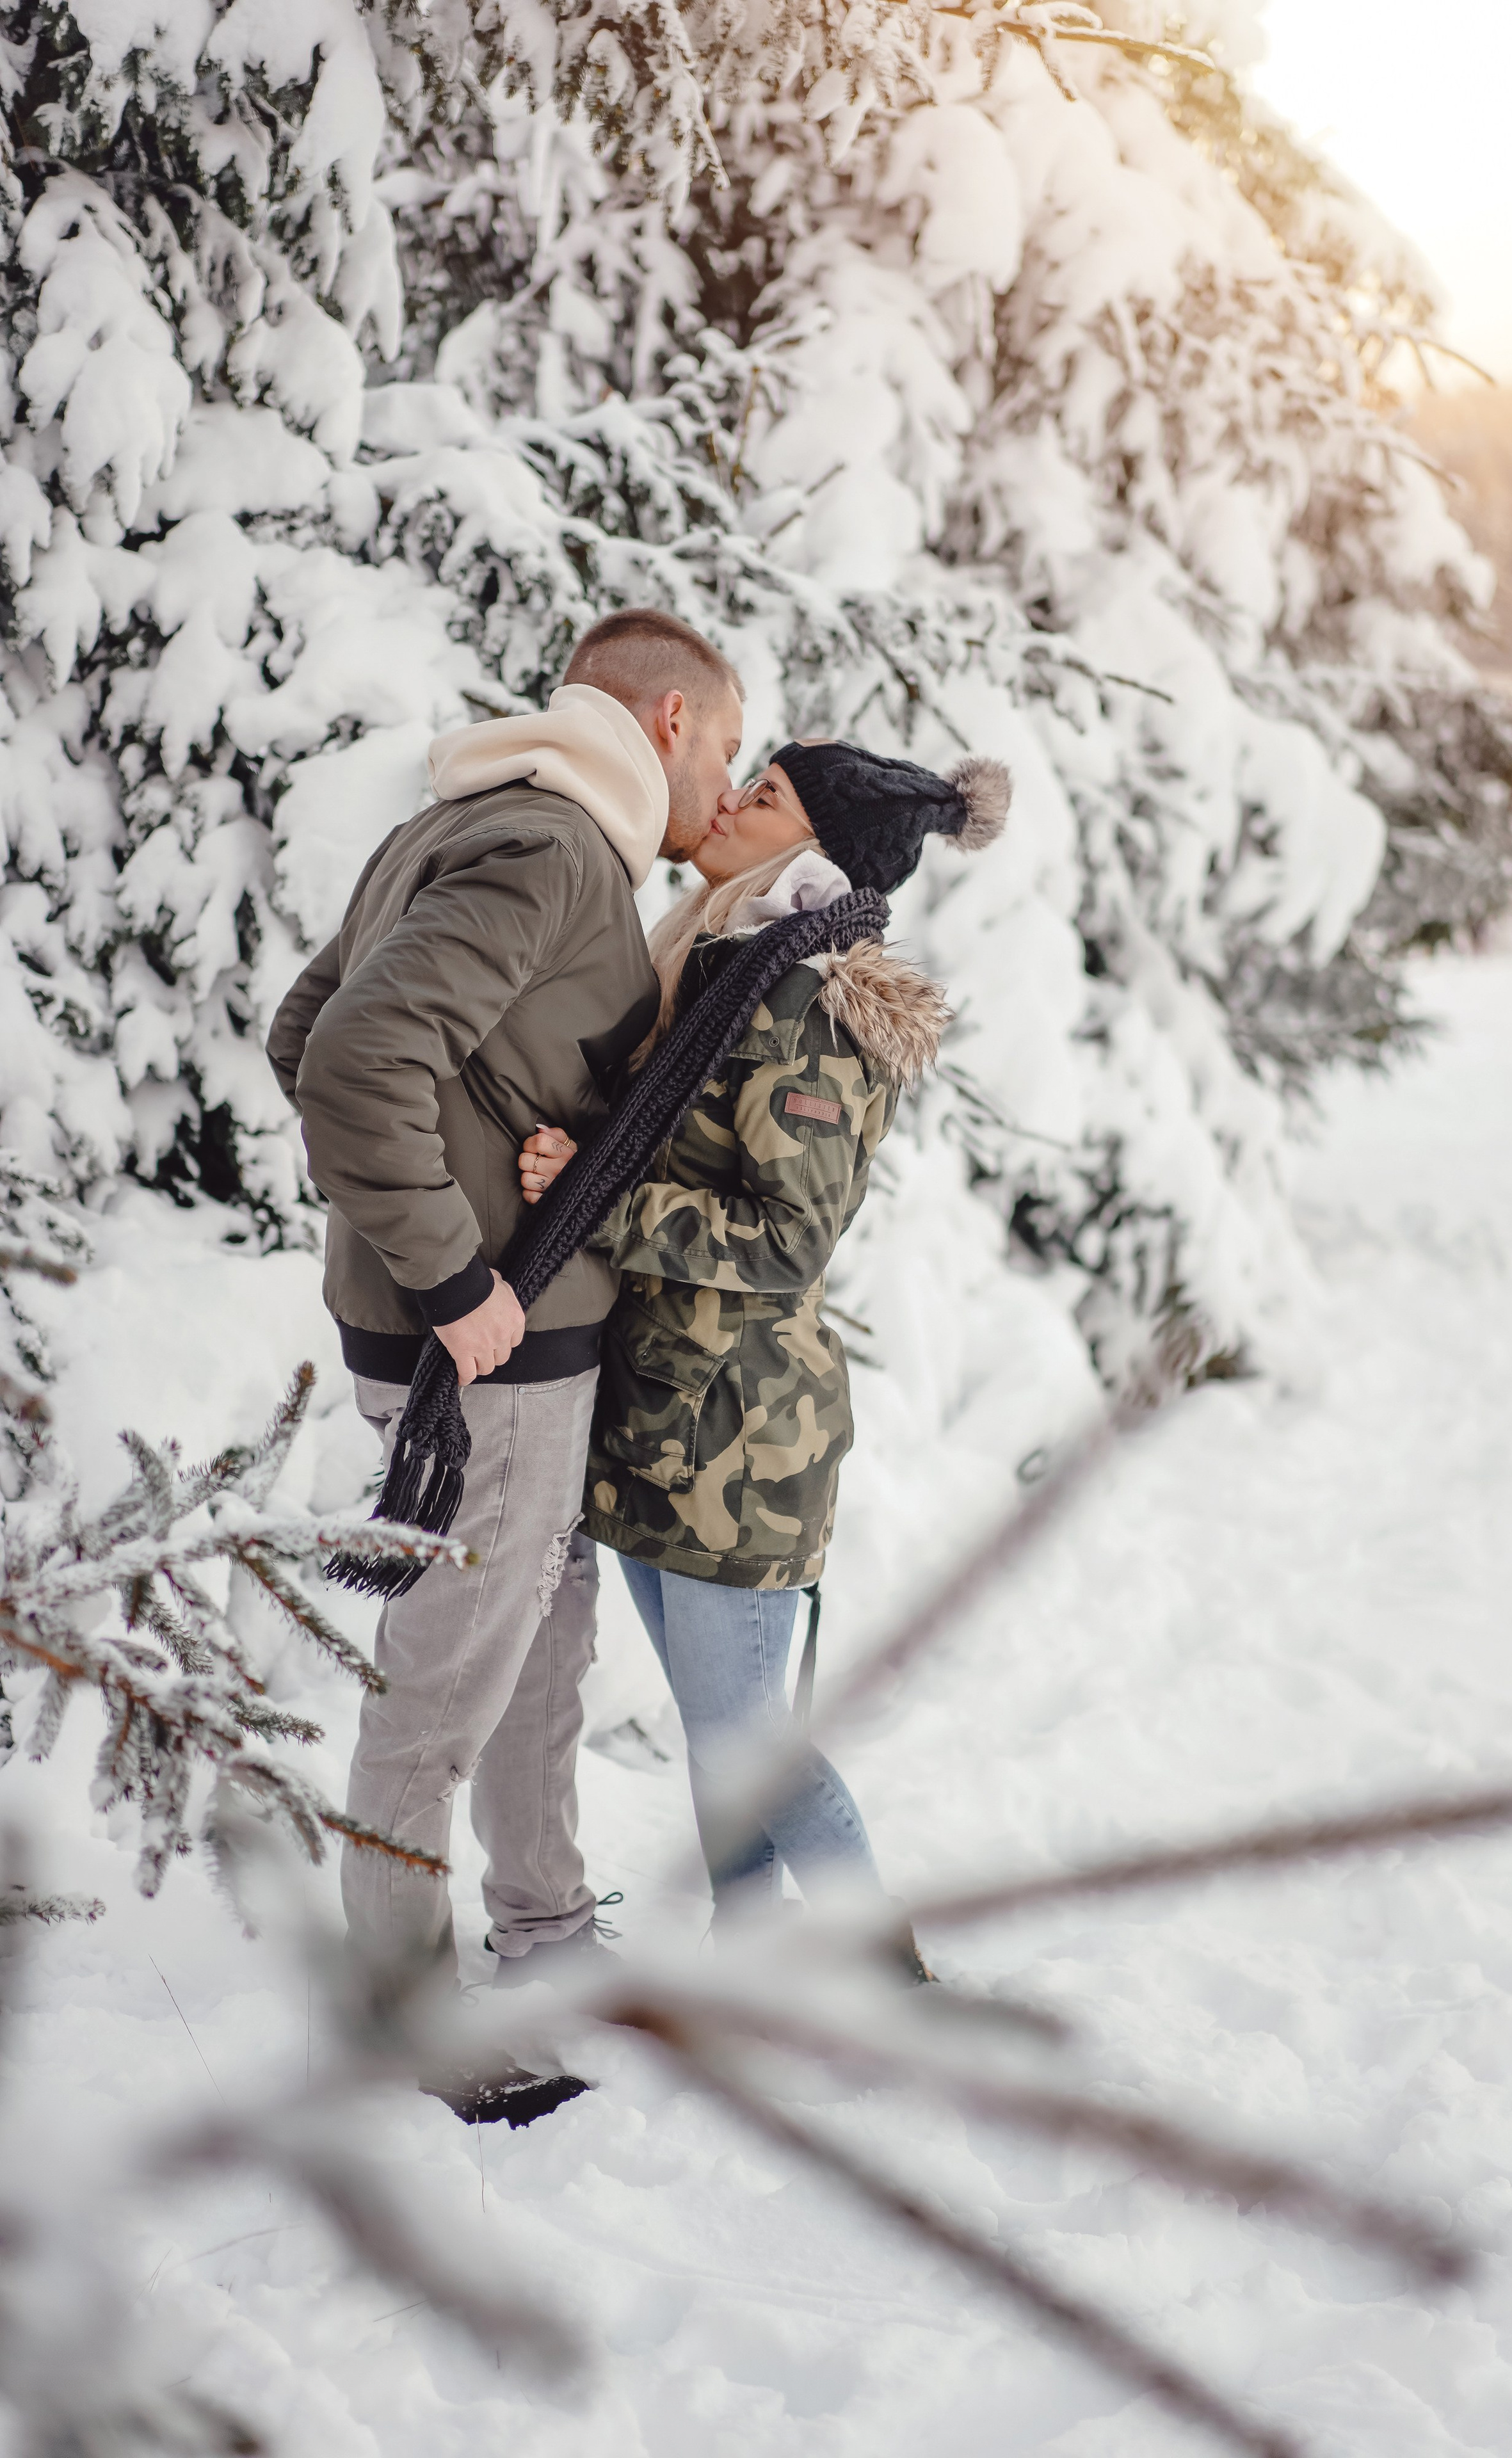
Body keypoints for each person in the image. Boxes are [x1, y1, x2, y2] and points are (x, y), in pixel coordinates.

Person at [265, 611, 746, 2048]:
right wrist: (456, 1270)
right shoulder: (553, 851)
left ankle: (542, 1928)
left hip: (480, 1340)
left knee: (537, 1634)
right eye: (724, 747)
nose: (726, 788)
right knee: (457, 1670)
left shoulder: (466, 819)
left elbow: (305, 1037)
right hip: (490, 1348)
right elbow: (351, 1061)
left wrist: (475, 1156)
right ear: (665, 725)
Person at [517, 738, 1011, 1970]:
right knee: (716, 1724)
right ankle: (752, 1937)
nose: (731, 801)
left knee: (748, 1744)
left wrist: (601, 1193)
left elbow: (789, 1241)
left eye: (769, 795)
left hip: (741, 1434)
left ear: (817, 847)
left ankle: (877, 1968)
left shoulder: (813, 999)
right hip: (659, 1411)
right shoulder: (721, 960)